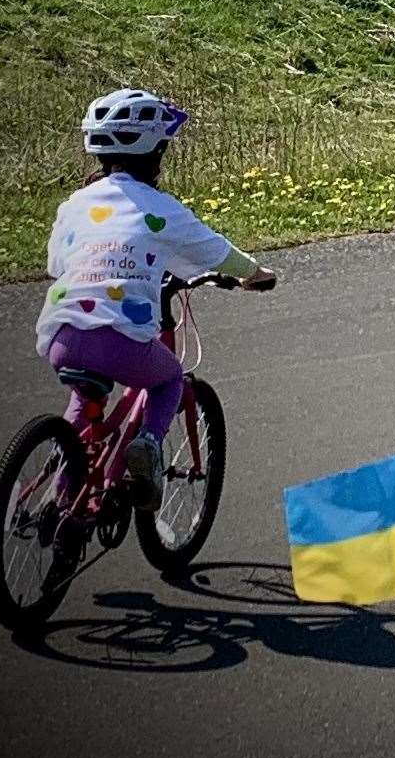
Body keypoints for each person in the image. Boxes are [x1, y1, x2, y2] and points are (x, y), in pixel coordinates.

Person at [38, 89, 276, 510]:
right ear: (155, 150)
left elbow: (59, 262)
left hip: (61, 334)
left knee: (83, 403)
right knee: (168, 380)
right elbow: (215, 251)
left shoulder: (73, 204)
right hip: (118, 340)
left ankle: (62, 507)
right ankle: (147, 445)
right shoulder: (159, 208)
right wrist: (255, 274)